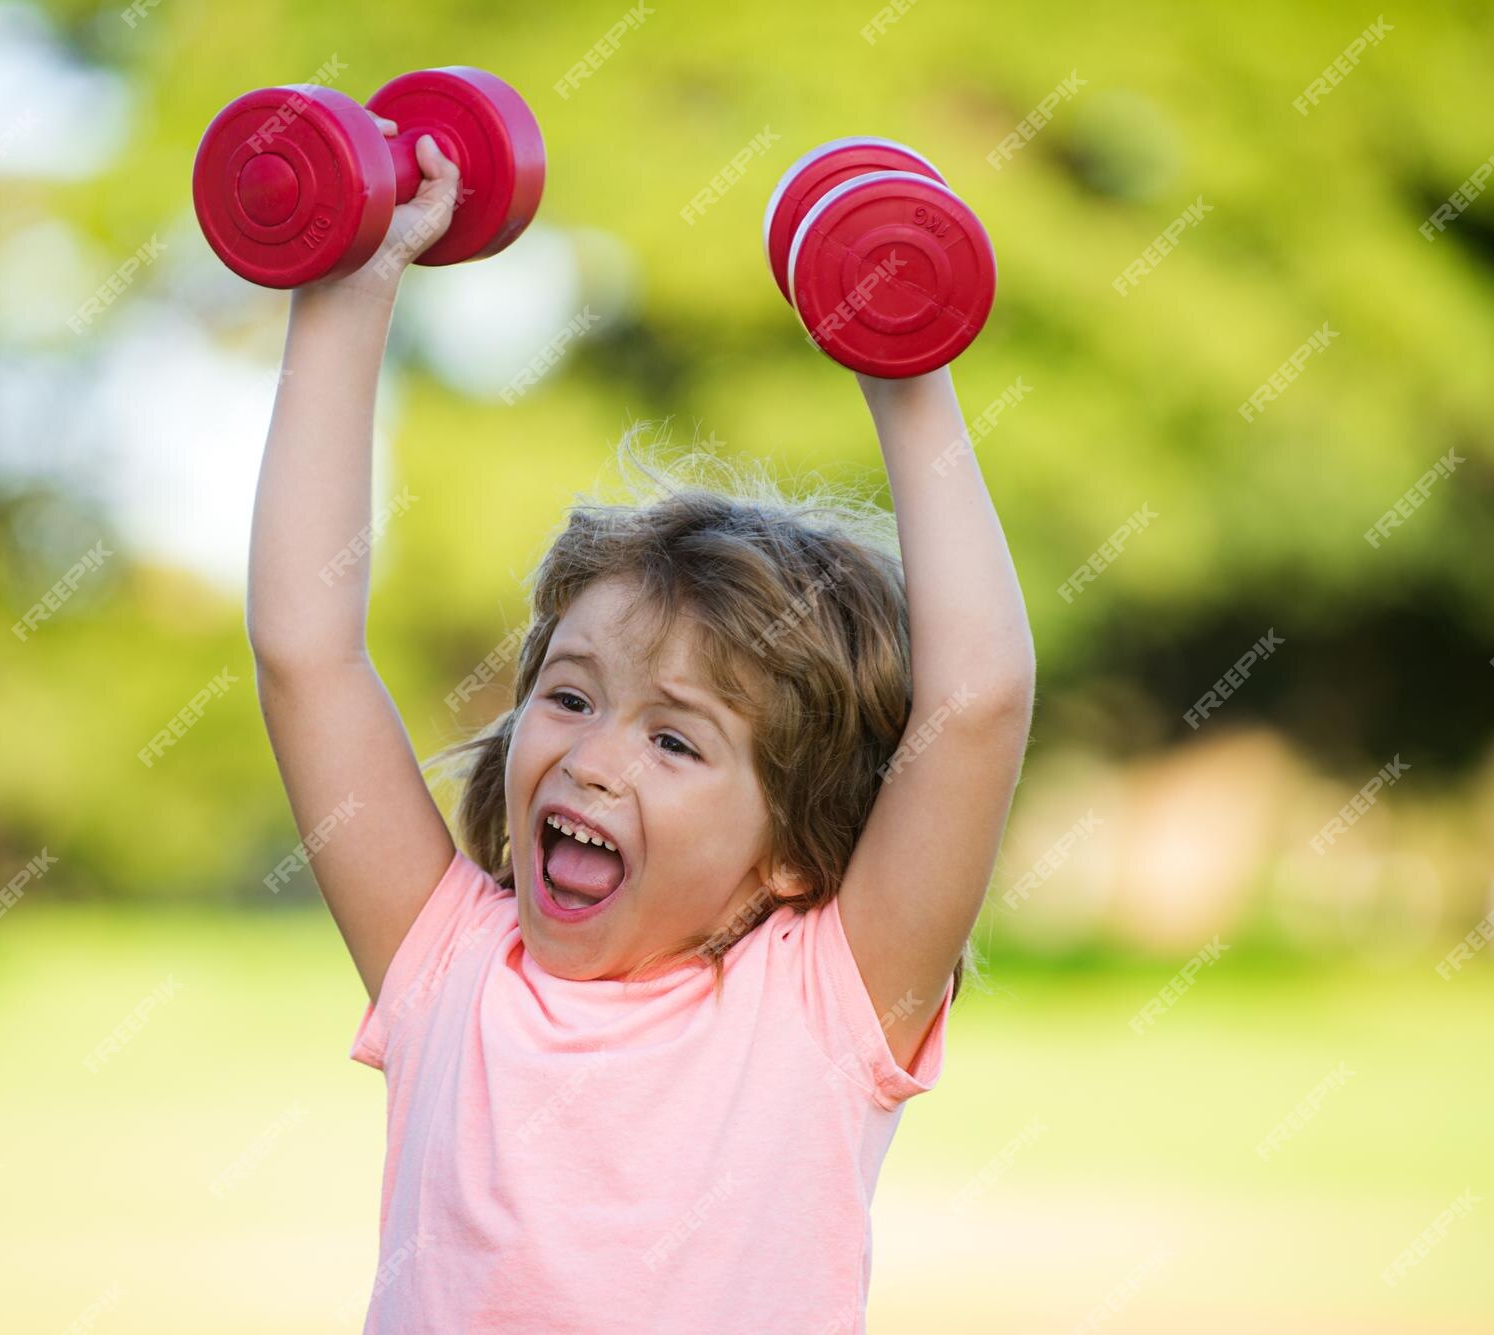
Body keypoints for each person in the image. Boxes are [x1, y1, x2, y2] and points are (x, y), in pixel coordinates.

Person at [245, 116, 1035, 1333]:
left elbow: (974, 707)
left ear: (787, 848)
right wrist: (348, 288)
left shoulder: (822, 1006)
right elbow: (307, 654)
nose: (590, 755)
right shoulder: (449, 963)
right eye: (567, 694)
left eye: (674, 740)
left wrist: (905, 372)